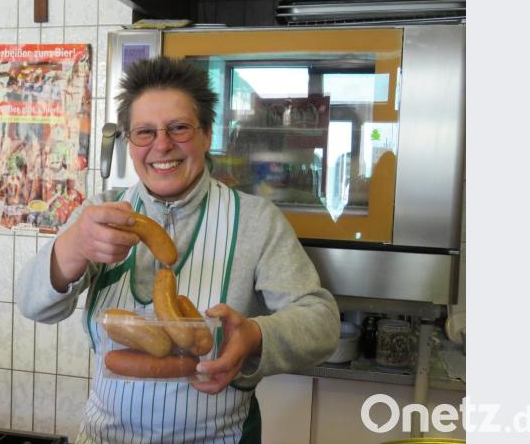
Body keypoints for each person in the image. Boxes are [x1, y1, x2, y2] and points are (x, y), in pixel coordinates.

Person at [17, 57, 340, 443]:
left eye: (179, 128)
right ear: (128, 143)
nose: (162, 145)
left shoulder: (256, 220)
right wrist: (73, 245)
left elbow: (321, 322)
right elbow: (33, 305)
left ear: (206, 134)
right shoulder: (102, 214)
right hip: (106, 437)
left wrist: (254, 334)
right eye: (144, 132)